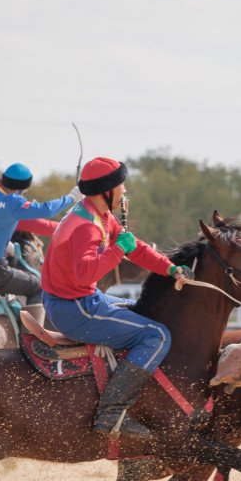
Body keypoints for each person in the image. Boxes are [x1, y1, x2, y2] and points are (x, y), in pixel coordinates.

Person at [41, 157, 193, 438]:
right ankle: (110, 413)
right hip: (74, 308)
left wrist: (170, 268)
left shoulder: (96, 214)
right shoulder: (87, 226)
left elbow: (134, 247)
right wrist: (118, 251)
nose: (124, 193)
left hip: (76, 300)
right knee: (157, 335)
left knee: (141, 314)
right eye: (121, 187)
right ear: (106, 192)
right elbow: (86, 274)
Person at [0, 163, 78, 322]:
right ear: (21, 190)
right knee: (38, 287)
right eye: (25, 193)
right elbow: (48, 210)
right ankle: (31, 338)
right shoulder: (13, 203)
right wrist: (72, 197)